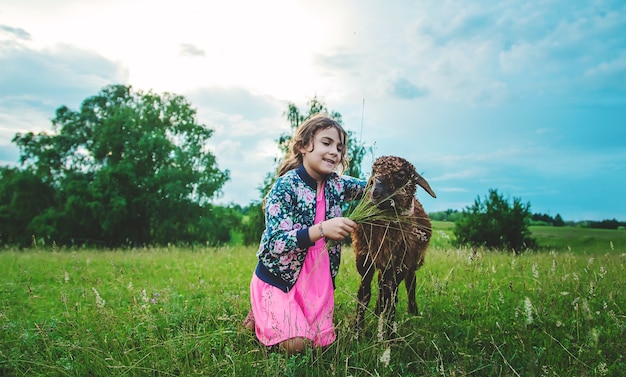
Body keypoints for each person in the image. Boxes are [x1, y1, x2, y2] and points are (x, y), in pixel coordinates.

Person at [244, 113, 366, 354]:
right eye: (327, 143)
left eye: (340, 147)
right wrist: (322, 229)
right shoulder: (285, 187)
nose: (335, 152)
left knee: (319, 347)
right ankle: (261, 316)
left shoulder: (338, 184)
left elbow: (373, 188)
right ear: (303, 146)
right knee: (298, 346)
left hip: (317, 282)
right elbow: (276, 243)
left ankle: (270, 319)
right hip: (280, 281)